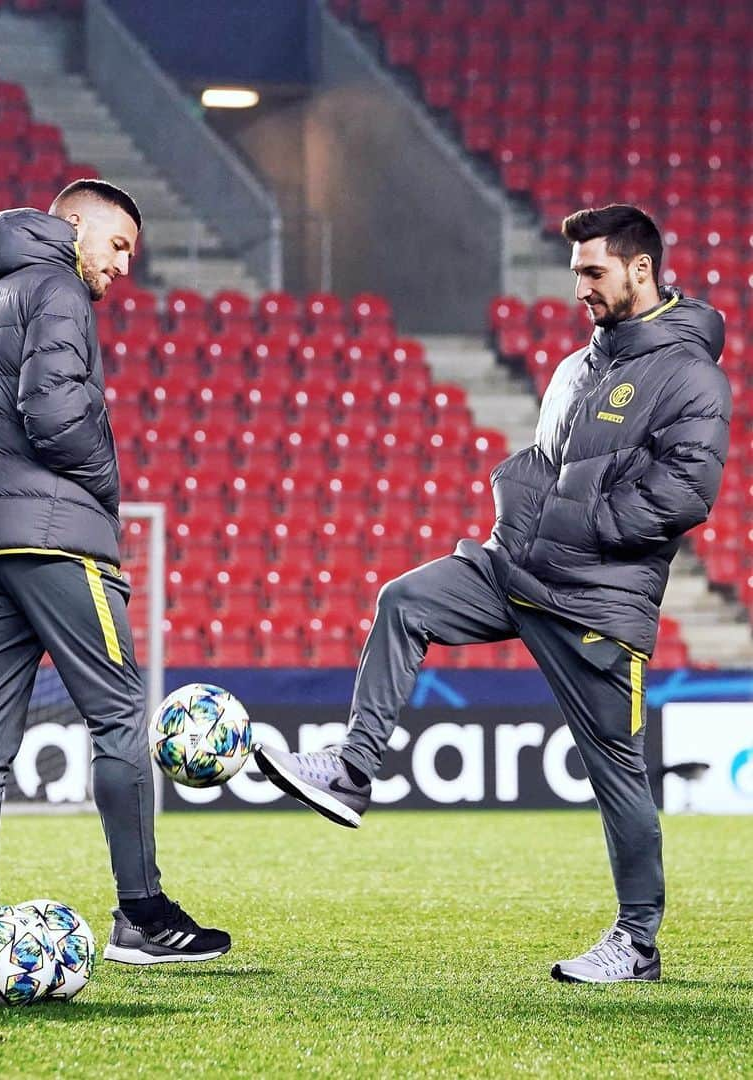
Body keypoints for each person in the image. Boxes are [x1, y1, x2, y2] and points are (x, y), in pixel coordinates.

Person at [256, 204, 731, 983]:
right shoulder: (579, 365)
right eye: (576, 270)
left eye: (593, 271)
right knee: (404, 600)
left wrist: (581, 523)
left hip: (594, 600)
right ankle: (352, 768)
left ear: (641, 270)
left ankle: (637, 943)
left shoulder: (688, 374)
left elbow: (686, 491)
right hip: (512, 567)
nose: (578, 286)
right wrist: (524, 496)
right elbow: (552, 461)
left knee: (617, 774)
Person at [0, 179, 230, 964]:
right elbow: (55, 414)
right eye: (120, 245)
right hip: (55, 537)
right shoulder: (57, 284)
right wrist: (105, 484)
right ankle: (142, 915)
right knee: (120, 713)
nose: (124, 266)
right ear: (72, 226)